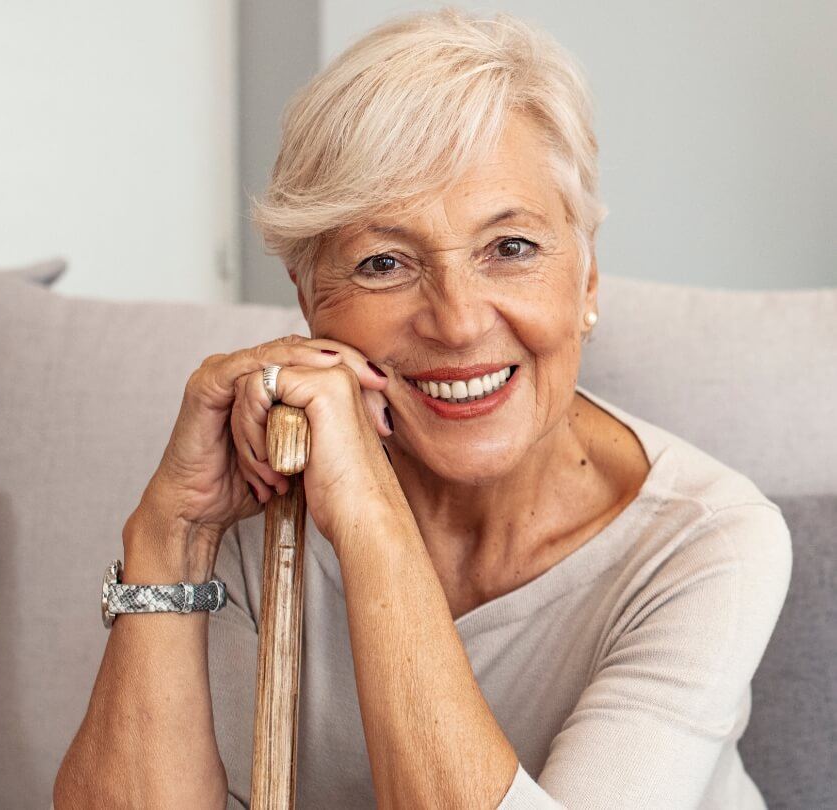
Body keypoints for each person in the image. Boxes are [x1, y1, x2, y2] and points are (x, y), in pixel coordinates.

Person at [53, 8, 792, 809]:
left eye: (510, 248)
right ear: (309, 301)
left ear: (586, 279)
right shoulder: (259, 480)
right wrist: (175, 532)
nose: (458, 320)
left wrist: (370, 517)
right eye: (383, 263)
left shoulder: (707, 541)